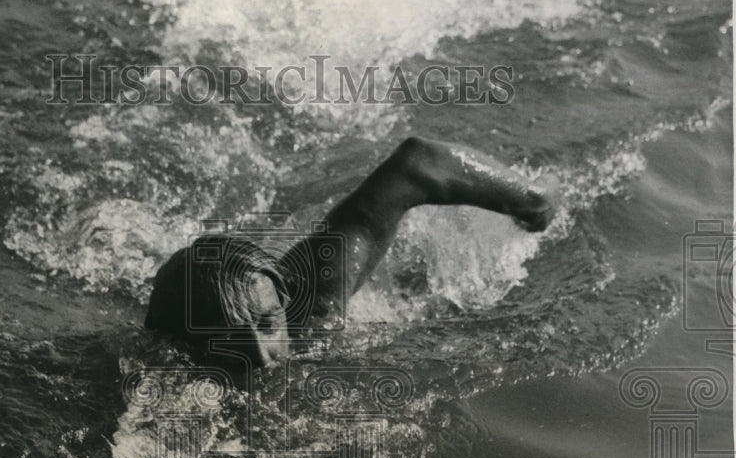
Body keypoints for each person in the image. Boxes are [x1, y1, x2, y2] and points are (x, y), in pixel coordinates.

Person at [145, 136, 556, 369]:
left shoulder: (315, 306)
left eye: (269, 324)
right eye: (233, 343)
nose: (264, 355)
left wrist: (532, 200)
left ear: (285, 300)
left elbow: (415, 165)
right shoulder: (169, 371)